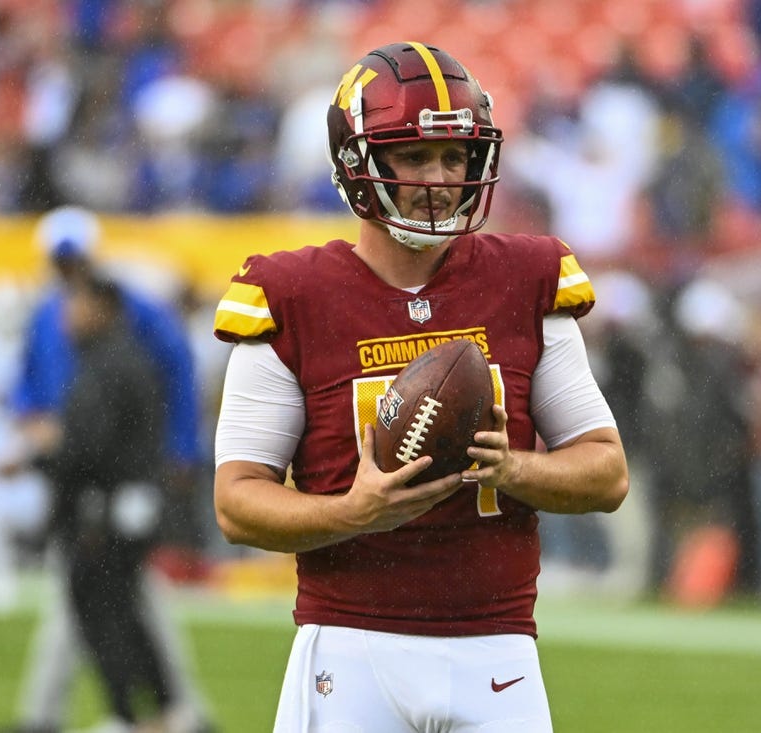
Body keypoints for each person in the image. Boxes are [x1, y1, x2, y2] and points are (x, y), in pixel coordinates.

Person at [212, 41, 629, 732]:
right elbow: (236, 502)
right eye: (413, 155)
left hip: (497, 645)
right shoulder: (290, 293)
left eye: (454, 156)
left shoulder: (527, 277)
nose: (438, 178)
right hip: (349, 644)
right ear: (358, 162)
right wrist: (353, 511)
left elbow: (607, 471)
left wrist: (513, 466)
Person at [4, 206, 212, 733]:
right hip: (80, 470)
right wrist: (37, 428)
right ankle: (171, 711)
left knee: (94, 593)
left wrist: (179, 451)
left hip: (109, 475)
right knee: (109, 595)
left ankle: (72, 712)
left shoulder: (129, 315)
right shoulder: (52, 313)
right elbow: (29, 386)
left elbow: (172, 379)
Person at [41, 275, 177, 731]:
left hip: (104, 511)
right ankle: (161, 712)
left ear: (102, 307)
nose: (66, 315)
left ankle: (129, 713)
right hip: (125, 506)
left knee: (104, 613)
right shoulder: (124, 357)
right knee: (122, 611)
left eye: (75, 302)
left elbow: (91, 447)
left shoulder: (108, 362)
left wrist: (46, 452)